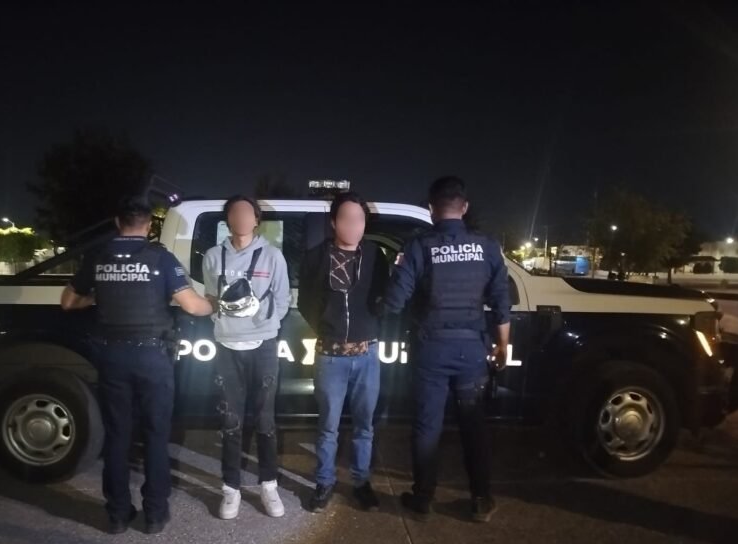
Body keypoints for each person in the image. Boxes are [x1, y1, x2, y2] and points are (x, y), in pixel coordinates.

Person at [61, 201, 215, 535]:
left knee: (118, 435)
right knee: (156, 436)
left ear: (118, 222)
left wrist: (96, 297)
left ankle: (117, 514)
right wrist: (214, 303)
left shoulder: (98, 257)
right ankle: (155, 514)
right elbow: (193, 307)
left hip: (112, 357)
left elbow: (68, 301)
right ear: (149, 226)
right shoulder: (160, 258)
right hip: (151, 358)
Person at [381, 176, 511, 523]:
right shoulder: (487, 246)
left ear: (431, 208)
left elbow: (394, 301)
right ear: (464, 207)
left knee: (427, 426)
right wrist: (502, 344)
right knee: (474, 426)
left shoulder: (419, 246)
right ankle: (481, 500)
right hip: (472, 351)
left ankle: (423, 497)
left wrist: (381, 306)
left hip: (431, 350)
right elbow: (501, 301)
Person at [298, 191, 390, 512]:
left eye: (359, 219)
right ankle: (324, 482)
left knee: (365, 425)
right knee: (328, 426)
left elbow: (384, 298)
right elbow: (306, 302)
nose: (353, 225)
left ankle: (361, 482)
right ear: (334, 222)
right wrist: (327, 327)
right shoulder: (315, 257)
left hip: (367, 356)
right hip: (330, 356)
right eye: (346, 218)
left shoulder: (376, 256)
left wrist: (369, 327)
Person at [203, 195, 291, 520]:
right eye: (234, 213)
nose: (241, 218)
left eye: (247, 213)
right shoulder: (213, 256)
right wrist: (224, 323)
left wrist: (266, 325)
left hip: (263, 346)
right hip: (227, 347)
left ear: (256, 220)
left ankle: (268, 485)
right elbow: (210, 297)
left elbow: (282, 298)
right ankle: (231, 489)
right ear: (228, 220)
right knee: (230, 421)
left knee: (265, 420)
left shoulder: (273, 256)